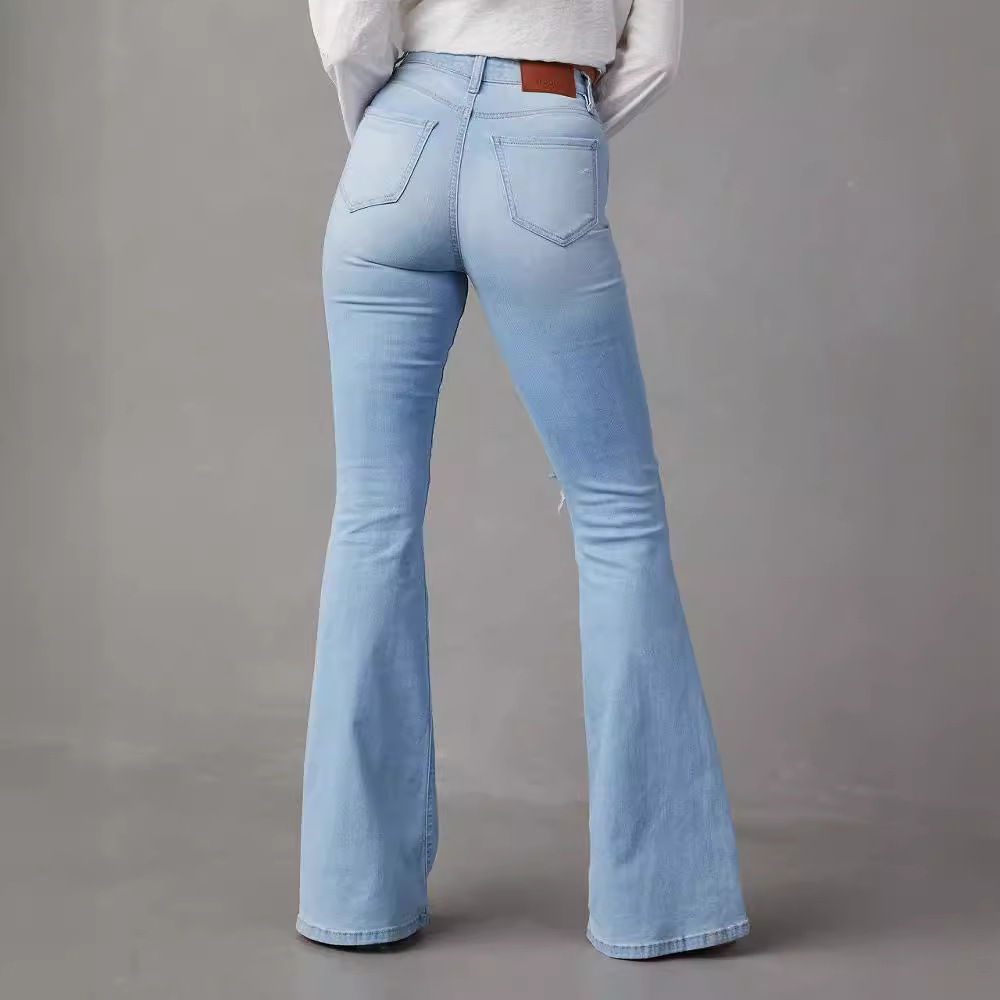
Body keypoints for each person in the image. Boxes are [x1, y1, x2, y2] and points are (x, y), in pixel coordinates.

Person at [298, 0, 749, 961]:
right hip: (548, 130)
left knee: (372, 519)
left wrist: (405, 116)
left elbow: (350, 23)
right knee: (618, 522)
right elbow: (656, 56)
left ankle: (352, 894)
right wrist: (552, 130)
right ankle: (659, 907)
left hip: (394, 142)